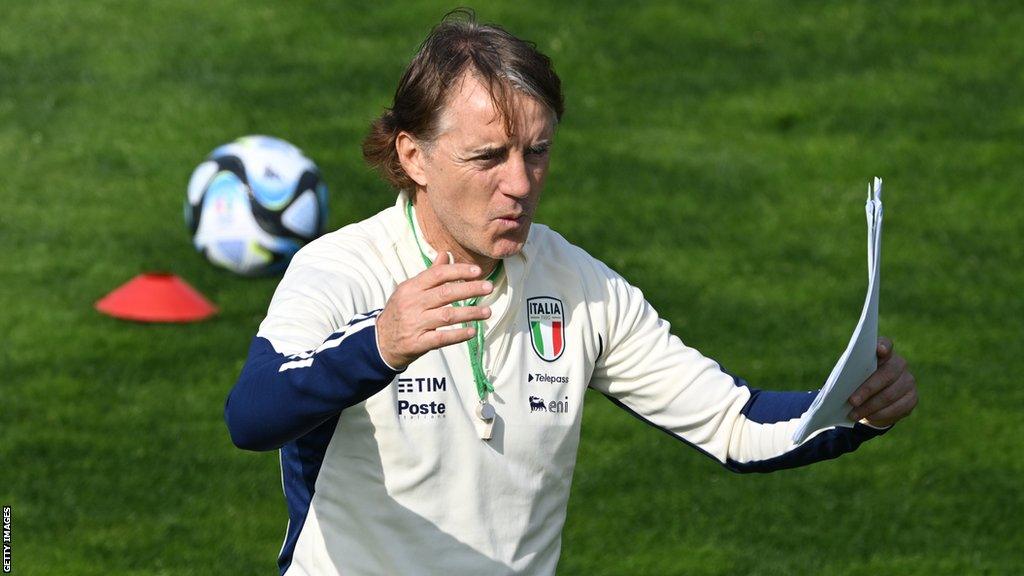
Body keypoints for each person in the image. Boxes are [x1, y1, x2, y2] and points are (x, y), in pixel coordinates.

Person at [224, 10, 918, 576]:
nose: (521, 183)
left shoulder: (578, 285)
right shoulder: (341, 270)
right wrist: (379, 345)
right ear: (414, 156)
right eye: (488, 157)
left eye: (538, 151)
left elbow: (735, 425)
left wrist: (855, 410)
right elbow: (252, 417)